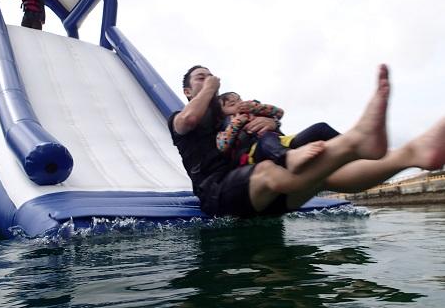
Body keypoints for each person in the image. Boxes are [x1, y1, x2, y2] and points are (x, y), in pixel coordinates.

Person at [168, 64, 445, 217]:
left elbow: (263, 125)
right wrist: (212, 87)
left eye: (210, 76)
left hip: (259, 197)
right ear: (187, 91)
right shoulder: (179, 117)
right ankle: (356, 142)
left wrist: (271, 123)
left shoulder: (228, 116)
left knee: (324, 175)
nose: (207, 80)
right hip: (220, 197)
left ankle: (412, 153)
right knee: (270, 171)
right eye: (199, 78)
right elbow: (190, 121)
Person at [217, 91, 339, 171]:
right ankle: (287, 158)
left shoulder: (255, 110)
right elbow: (222, 145)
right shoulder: (227, 124)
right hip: (255, 154)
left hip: (280, 141)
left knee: (320, 128)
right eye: (232, 104)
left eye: (239, 100)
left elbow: (279, 112)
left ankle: (353, 144)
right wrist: (237, 122)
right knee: (267, 138)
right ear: (222, 113)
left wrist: (257, 107)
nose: (239, 104)